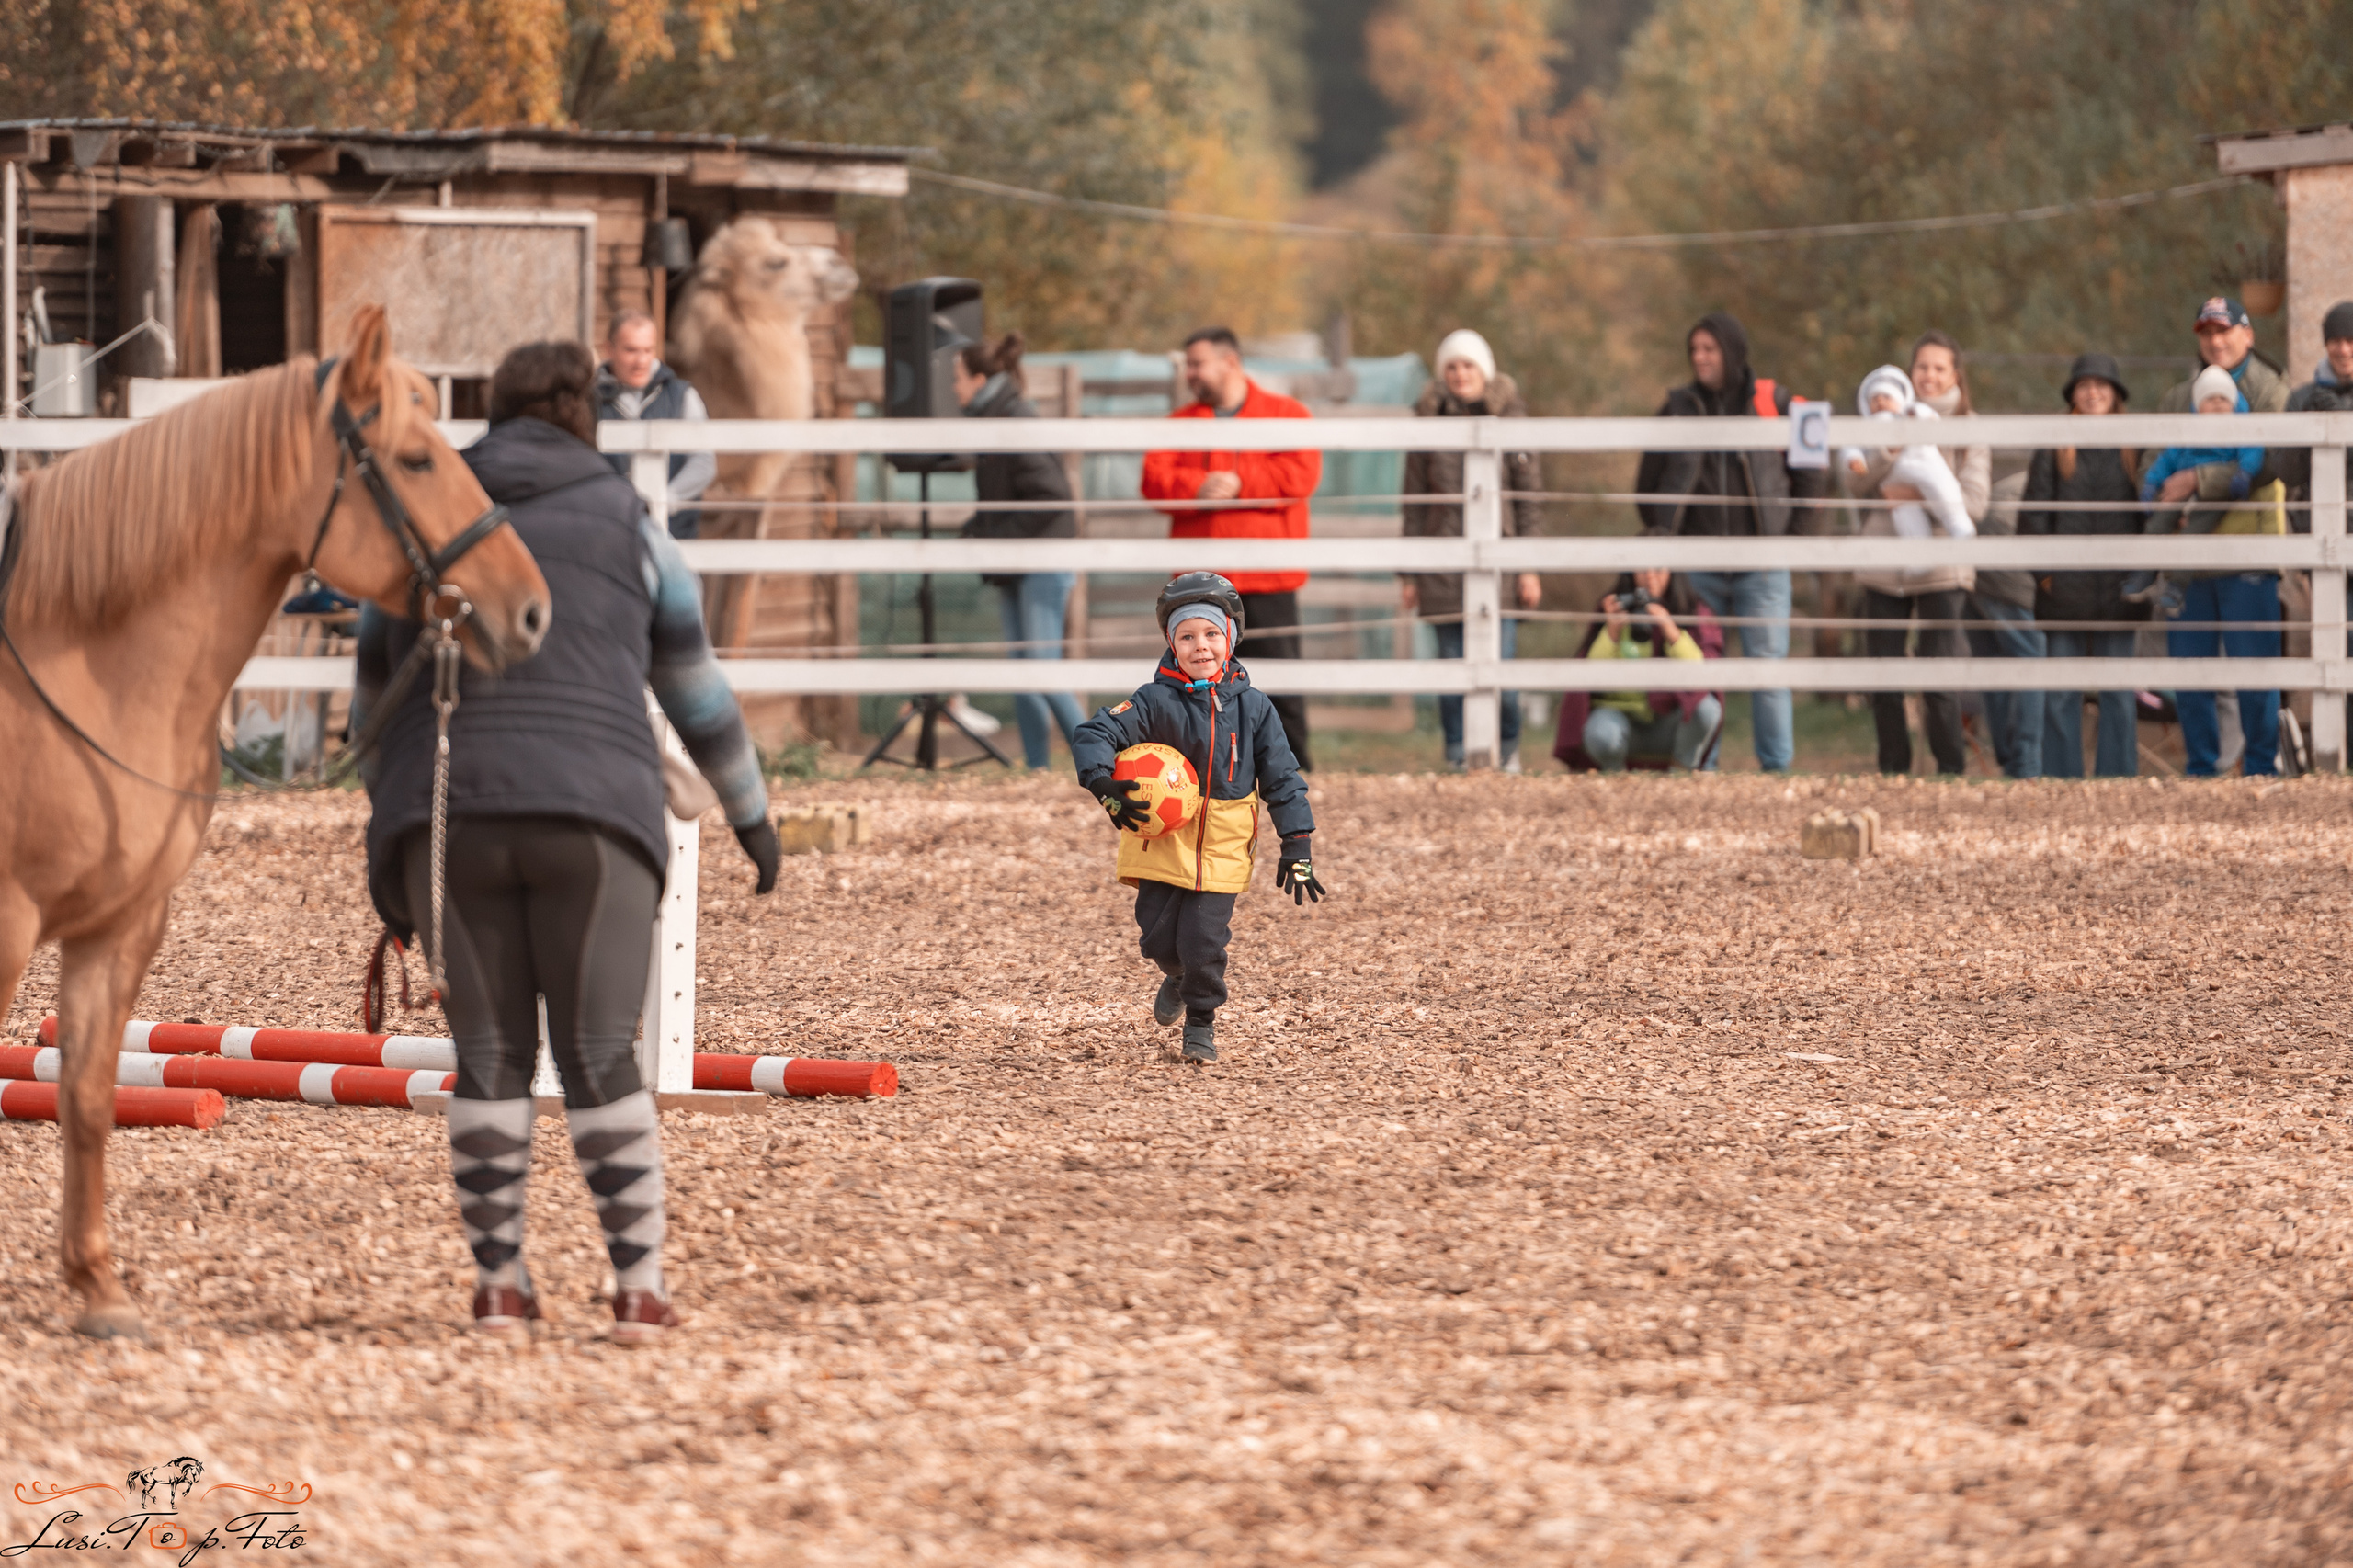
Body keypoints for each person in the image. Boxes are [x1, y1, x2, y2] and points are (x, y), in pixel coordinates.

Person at [356, 341, 781, 1341]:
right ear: (588, 417)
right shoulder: (631, 522)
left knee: (488, 1056)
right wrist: (753, 816)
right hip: (595, 812)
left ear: (491, 414)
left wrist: (391, 831)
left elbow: (372, 700)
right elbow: (696, 689)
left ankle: (499, 1287)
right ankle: (637, 1288)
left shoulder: (422, 517)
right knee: (597, 1052)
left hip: (449, 813)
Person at [1070, 574, 1320, 1066]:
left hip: (1224, 845)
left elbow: (1284, 779)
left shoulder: (1255, 708)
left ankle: (1201, 1023)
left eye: (1210, 634)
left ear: (1231, 637)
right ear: (1171, 644)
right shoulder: (1151, 699)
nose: (1199, 645)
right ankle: (1178, 976)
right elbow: (1094, 731)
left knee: (1202, 941)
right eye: (1186, 636)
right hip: (1159, 841)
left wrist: (1298, 844)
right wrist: (1102, 784)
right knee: (1158, 939)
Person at [1633, 311, 1827, 772]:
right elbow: (1646, 482)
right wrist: (1666, 537)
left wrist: (1792, 541)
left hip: (1762, 563)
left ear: (1732, 351)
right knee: (1701, 670)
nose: (1700, 358)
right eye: (1694, 350)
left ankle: (1776, 772)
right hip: (1697, 565)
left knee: (1769, 670)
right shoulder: (1675, 406)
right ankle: (1706, 768)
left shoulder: (1781, 401)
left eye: (1709, 349)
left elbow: (1816, 473)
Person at [1142, 328, 1322, 769]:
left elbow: (1301, 474)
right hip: (1204, 587)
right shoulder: (1179, 425)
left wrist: (1242, 484)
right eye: (1188, 364)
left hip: (1267, 576)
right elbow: (1153, 480)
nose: (1190, 373)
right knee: (1199, 682)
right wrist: (1197, 487)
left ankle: (1295, 771)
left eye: (1197, 363)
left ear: (1230, 362)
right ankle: (1205, 771)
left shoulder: (1287, 415)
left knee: (1281, 683)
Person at [1845, 336, 1991, 776]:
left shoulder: (1970, 428)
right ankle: (1893, 770)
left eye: (1939, 369)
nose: (1928, 376)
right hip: (1884, 568)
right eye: (1921, 367)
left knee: (1939, 676)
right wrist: (1890, 449)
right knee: (1883, 676)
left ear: (1955, 377)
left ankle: (1950, 771)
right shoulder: (1877, 416)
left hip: (1944, 569)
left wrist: (1915, 493)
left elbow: (1975, 502)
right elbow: (1855, 483)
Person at [1399, 330, 1543, 770]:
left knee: (1503, 666)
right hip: (1440, 564)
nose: (1460, 374)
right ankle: (1458, 753)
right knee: (1449, 668)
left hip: (1500, 564)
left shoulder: (1513, 422)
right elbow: (1413, 502)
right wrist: (1408, 573)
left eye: (1468, 365)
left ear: (1485, 370)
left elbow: (1528, 501)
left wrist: (1528, 566)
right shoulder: (1426, 423)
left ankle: (1509, 749)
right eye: (1452, 366)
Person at [952, 332, 1083, 770]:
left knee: (1042, 669)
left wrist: (998, 536)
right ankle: (1036, 770)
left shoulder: (1012, 419)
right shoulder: (996, 417)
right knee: (1023, 670)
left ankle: (1099, 765)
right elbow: (1011, 495)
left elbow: (1050, 496)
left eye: (957, 377)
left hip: (1042, 560)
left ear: (979, 377)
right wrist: (979, 528)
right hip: (1020, 557)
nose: (954, 388)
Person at [2152, 360, 2287, 777]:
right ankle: (2201, 768)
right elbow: (2157, 472)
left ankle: (2262, 766)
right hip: (2191, 567)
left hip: (2248, 561)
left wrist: (2194, 479)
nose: (2215, 406)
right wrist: (2160, 501)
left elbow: (2269, 476)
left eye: (2223, 399)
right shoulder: (2179, 424)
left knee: (2256, 672)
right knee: (2192, 677)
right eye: (2207, 399)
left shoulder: (2263, 414)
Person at [2020, 354, 2142, 778]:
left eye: (2102, 385)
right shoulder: (2055, 445)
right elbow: (2032, 515)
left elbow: (2147, 515)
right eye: (2085, 385)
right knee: (2059, 696)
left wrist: (2140, 577)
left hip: (2119, 591)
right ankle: (2061, 782)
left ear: (2116, 394)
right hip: (2064, 593)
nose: (2093, 392)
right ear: (2073, 393)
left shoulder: (2135, 444)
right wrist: (2047, 577)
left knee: (2119, 696)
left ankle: (2118, 779)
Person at [1563, 569, 1723, 772]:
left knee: (1707, 709)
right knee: (1600, 733)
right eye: (1642, 569)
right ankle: (1616, 774)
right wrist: (1611, 632)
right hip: (1620, 720)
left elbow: (1699, 672)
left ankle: (1681, 773)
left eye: (1658, 570)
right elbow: (1591, 675)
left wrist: (1669, 629)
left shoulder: (1690, 608)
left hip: (1669, 723)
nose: (1649, 576)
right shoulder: (1613, 607)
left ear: (1672, 573)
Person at [595, 309, 716, 540]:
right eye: (631, 350)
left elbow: (703, 462)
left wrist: (665, 500)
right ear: (609, 349)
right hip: (609, 532)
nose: (641, 361)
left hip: (673, 533)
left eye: (647, 350)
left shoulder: (683, 396)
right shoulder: (589, 401)